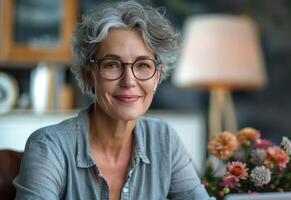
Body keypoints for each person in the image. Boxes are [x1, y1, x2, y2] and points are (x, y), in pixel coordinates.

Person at [13, 1, 211, 199]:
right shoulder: (50, 146)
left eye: (143, 65)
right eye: (112, 65)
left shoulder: (164, 140)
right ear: (89, 75)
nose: (129, 81)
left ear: (157, 76)